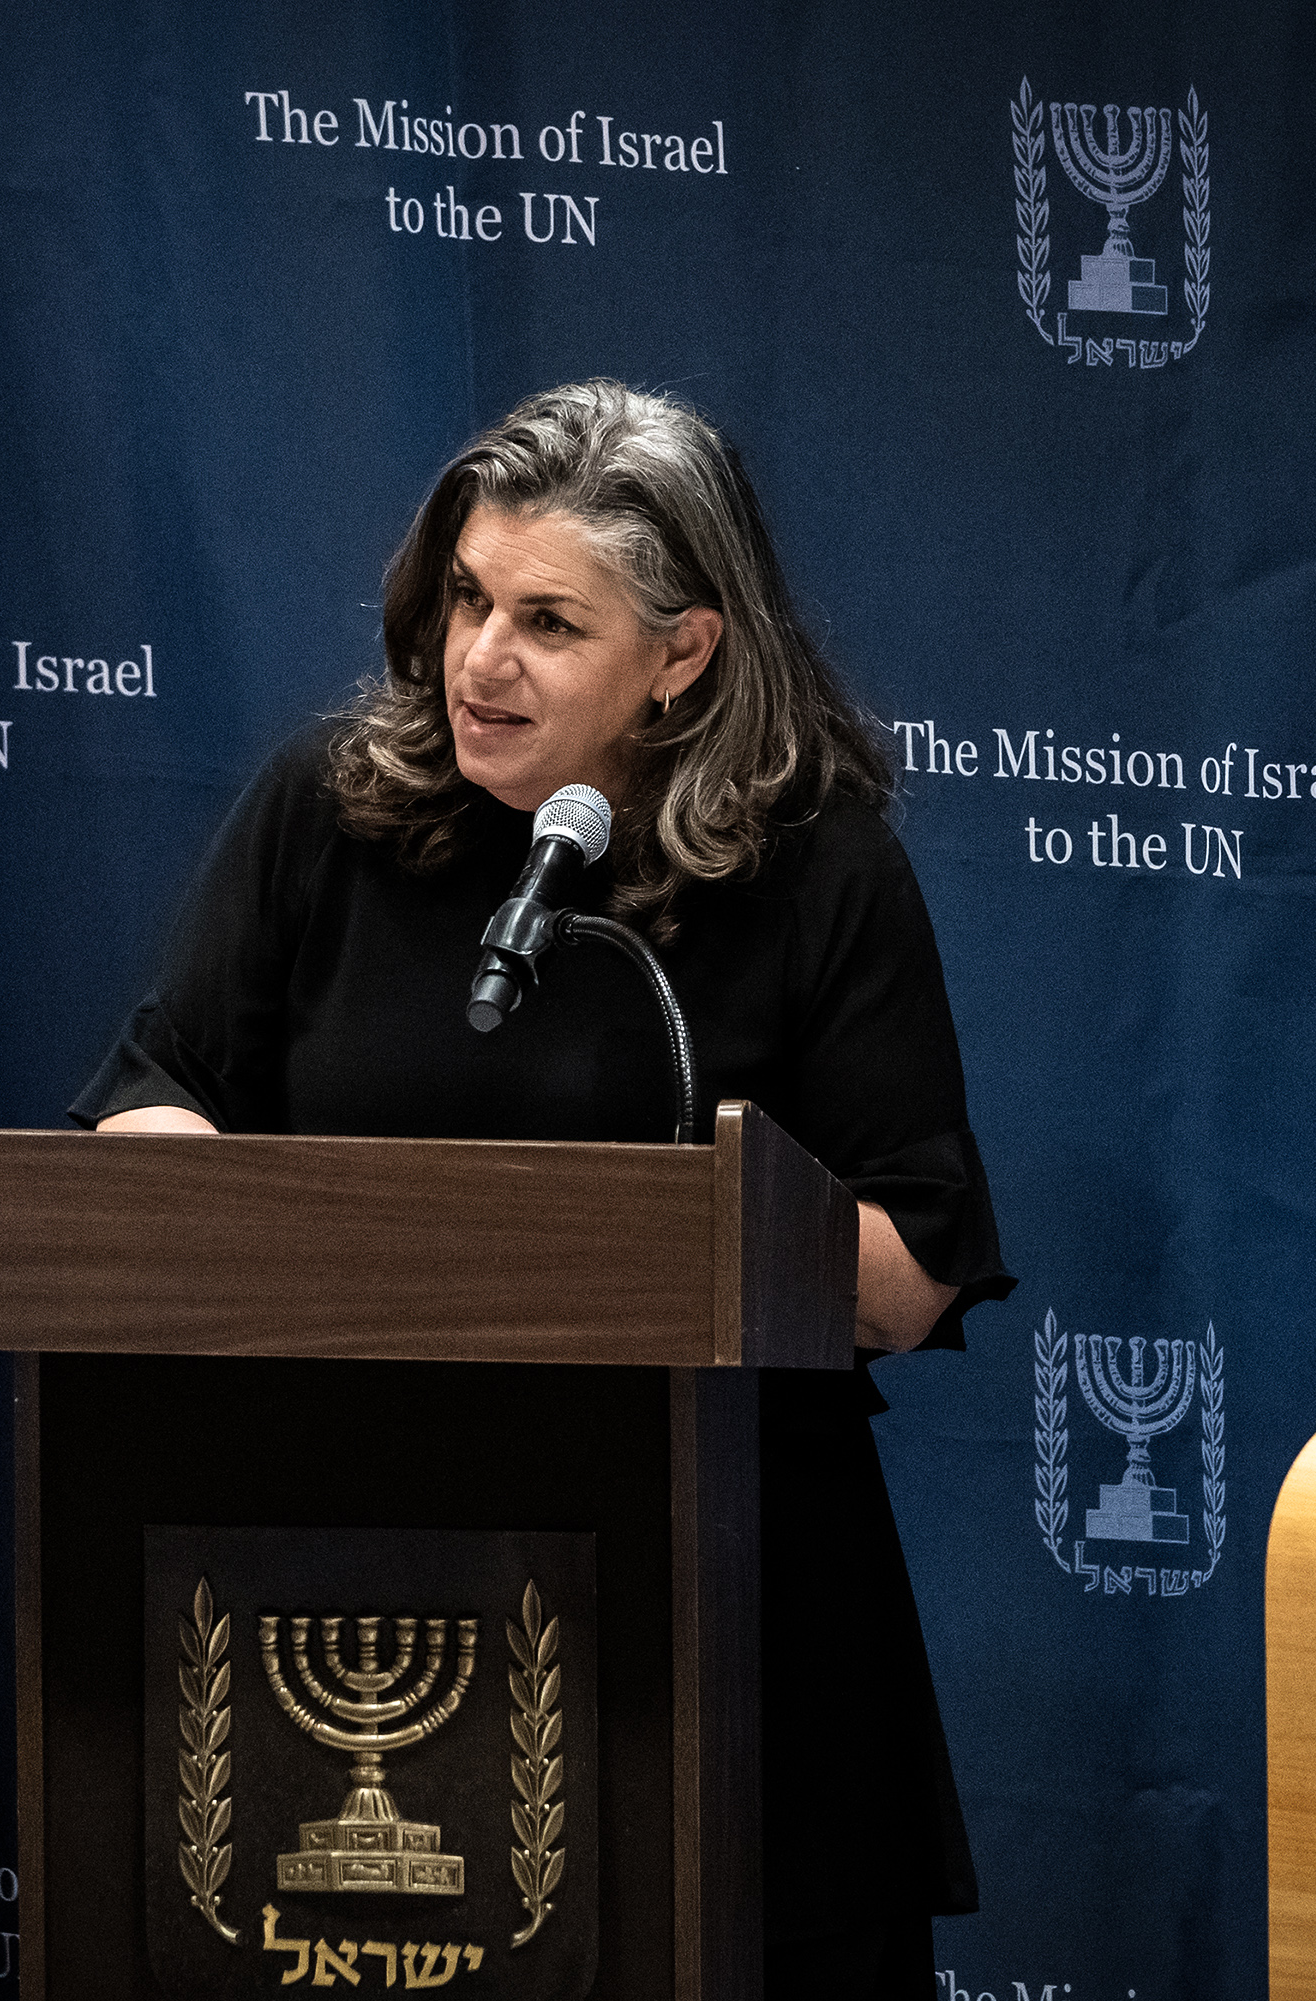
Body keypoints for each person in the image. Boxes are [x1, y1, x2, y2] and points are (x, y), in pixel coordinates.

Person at [73, 379, 1010, 1996]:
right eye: (466, 597)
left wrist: (681, 1241)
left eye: (548, 621)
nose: (478, 658)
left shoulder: (816, 867)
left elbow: (913, 1263)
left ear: (683, 656)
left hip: (723, 1623)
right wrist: (225, 1221)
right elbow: (153, 1092)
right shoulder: (335, 813)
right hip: (350, 1598)